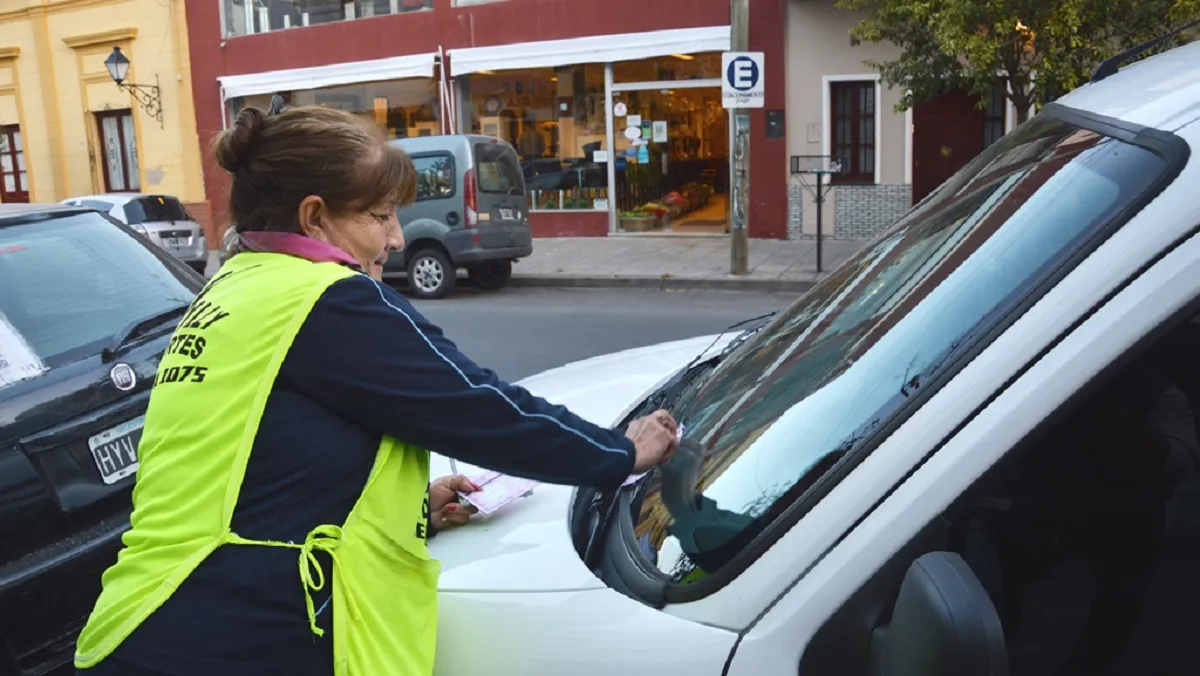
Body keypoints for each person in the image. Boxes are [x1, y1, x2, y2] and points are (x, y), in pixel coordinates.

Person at [74, 97, 680, 676]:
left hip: (152, 620)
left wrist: (413, 510)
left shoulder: (234, 288)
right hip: (234, 639)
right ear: (315, 217)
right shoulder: (326, 299)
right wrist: (620, 453)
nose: (395, 238)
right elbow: (483, 408)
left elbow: (256, 469)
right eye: (379, 214)